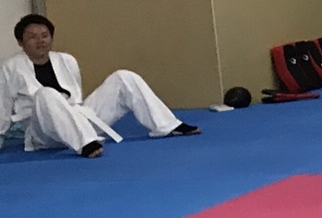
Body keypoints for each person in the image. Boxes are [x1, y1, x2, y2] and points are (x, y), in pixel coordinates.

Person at [2, 14, 196, 157]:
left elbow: (76, 96)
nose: (40, 41)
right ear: (20, 42)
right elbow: (3, 104)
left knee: (123, 77)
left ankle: (167, 125)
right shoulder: (11, 67)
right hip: (44, 132)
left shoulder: (66, 60)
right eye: (32, 37)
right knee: (46, 94)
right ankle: (85, 143)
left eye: (45, 35)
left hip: (78, 119)